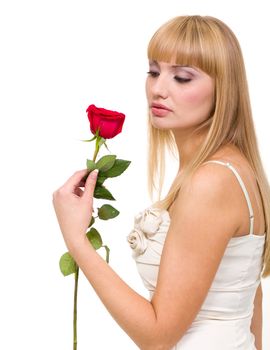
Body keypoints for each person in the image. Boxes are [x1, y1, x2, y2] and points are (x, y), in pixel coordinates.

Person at [52, 15, 270, 350]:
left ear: (224, 89)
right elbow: (249, 297)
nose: (158, 88)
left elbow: (158, 336)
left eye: (182, 77)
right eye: (154, 71)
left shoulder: (211, 180)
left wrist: (76, 241)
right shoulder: (230, 168)